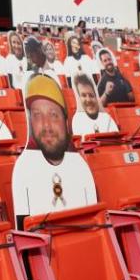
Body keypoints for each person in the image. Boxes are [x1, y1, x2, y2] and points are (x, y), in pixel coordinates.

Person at [11, 74, 97, 224]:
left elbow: (97, 223)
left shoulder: (81, 167)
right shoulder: (22, 170)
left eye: (53, 115)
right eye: (37, 115)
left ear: (65, 121)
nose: (46, 125)